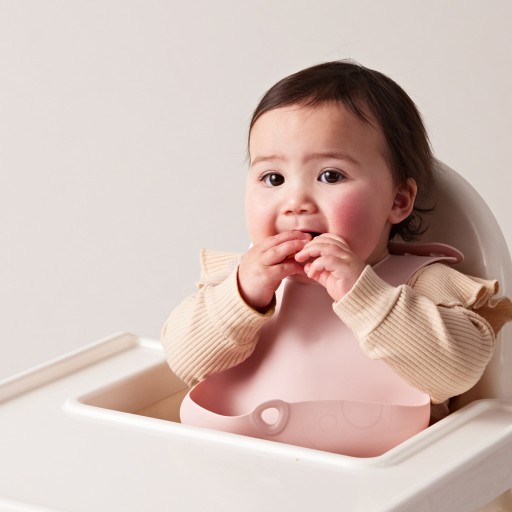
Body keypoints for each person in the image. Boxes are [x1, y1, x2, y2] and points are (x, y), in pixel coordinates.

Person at [161, 60, 512, 429]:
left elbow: (457, 373)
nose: (295, 201)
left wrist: (366, 296)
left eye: (330, 175)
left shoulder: (424, 284)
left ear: (397, 200)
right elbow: (183, 362)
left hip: (382, 465)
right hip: (232, 457)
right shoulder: (239, 282)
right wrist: (241, 296)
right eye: (273, 178)